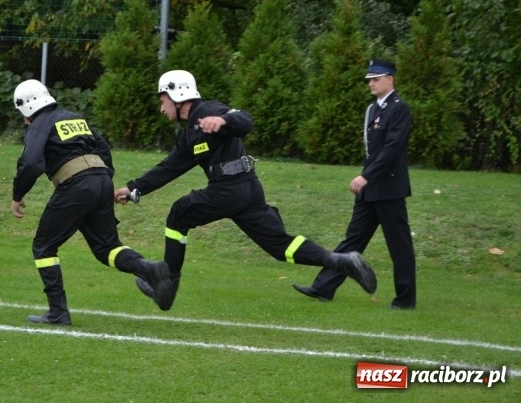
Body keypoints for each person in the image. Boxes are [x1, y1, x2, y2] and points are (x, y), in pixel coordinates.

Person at [114, 70, 377, 311]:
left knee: (179, 213)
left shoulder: (208, 110)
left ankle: (167, 284)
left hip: (230, 189)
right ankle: (341, 261)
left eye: (162, 100)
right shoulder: (189, 133)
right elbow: (170, 166)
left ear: (177, 95)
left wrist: (223, 120)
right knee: (280, 247)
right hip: (245, 191)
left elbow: (245, 120)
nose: (161, 108)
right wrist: (134, 188)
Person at [11, 79, 174, 325]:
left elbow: (31, 163)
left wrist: (17, 194)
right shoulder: (75, 117)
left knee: (43, 246)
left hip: (75, 186)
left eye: (22, 114)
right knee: (107, 248)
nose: (24, 121)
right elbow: (103, 148)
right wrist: (103, 182)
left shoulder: (40, 124)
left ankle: (58, 312)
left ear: (26, 107)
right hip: (100, 180)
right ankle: (149, 269)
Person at [293, 59, 416, 309]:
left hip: (389, 189)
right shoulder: (373, 110)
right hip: (370, 189)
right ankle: (323, 287)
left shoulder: (399, 108)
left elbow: (392, 148)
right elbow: (372, 150)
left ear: (390, 79)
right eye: (369, 79)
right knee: (352, 241)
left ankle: (405, 299)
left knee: (399, 246)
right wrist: (367, 178)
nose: (371, 83)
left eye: (376, 79)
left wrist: (366, 176)